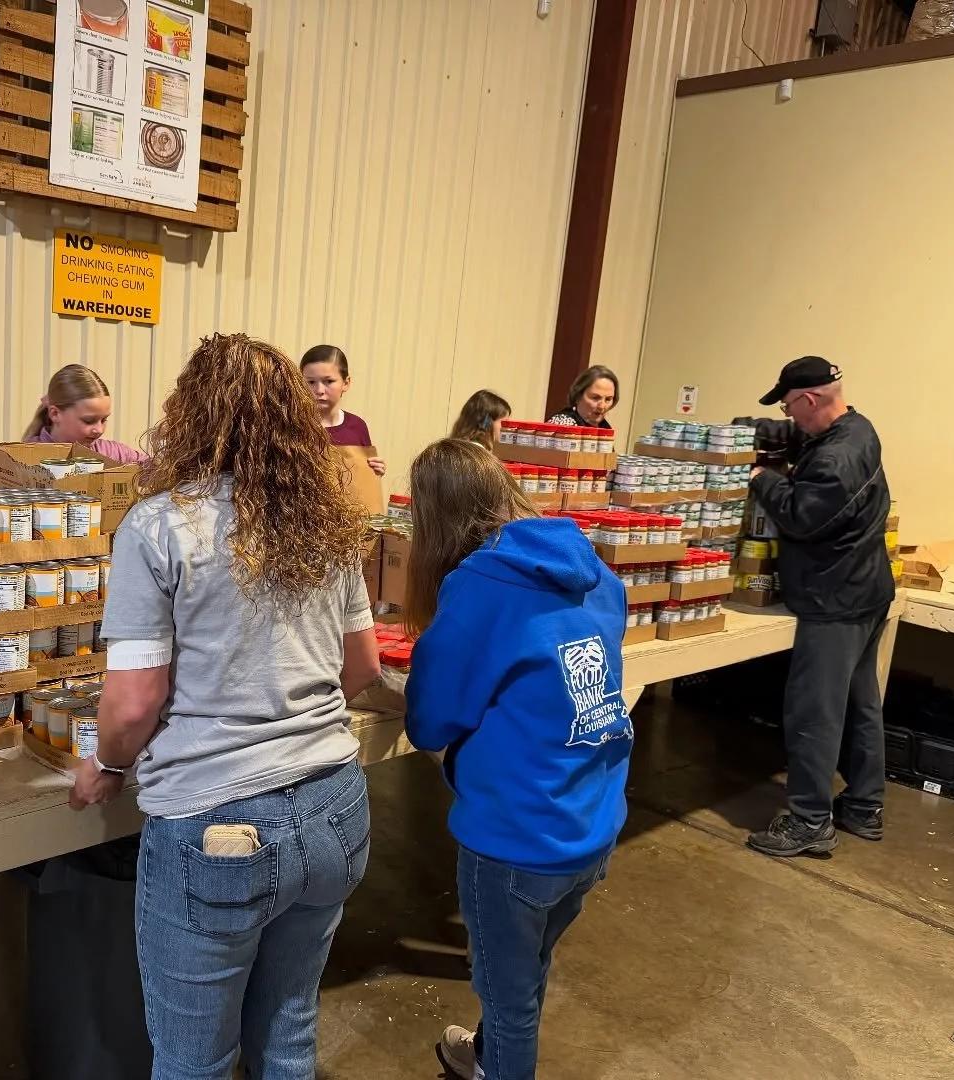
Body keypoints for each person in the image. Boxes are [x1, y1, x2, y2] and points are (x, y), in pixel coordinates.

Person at [68, 333, 382, 1079]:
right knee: (289, 1034)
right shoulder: (327, 523)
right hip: (337, 801)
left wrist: (107, 765)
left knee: (193, 1061)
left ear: (190, 414)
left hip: (218, 824)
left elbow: (136, 699)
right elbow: (362, 667)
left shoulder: (159, 526)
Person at [402, 439, 633, 1080]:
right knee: (525, 972)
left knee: (509, 1005)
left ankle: (497, 1061)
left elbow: (430, 721)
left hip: (516, 836)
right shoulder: (592, 570)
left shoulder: (479, 587)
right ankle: (483, 1053)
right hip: (591, 820)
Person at [742, 356, 895, 858]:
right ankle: (864, 805)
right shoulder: (855, 427)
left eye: (790, 407)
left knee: (814, 712)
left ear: (809, 399)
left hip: (835, 600)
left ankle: (810, 821)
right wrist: (745, 432)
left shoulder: (835, 461)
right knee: (858, 704)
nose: (789, 417)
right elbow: (802, 438)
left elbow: (801, 517)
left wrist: (762, 476)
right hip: (865, 590)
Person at [23, 363, 148, 464]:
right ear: (55, 414)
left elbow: (154, 471)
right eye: (88, 421)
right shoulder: (26, 456)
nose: (99, 429)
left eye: (104, 420)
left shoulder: (108, 453)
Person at [300, 344, 386, 476]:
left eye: (328, 381)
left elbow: (363, 478)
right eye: (311, 382)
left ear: (346, 383)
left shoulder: (357, 427)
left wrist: (375, 470)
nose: (319, 391)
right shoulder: (292, 425)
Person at [547, 365, 620, 429]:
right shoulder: (562, 424)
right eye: (595, 398)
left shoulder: (604, 427)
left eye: (608, 399)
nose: (602, 406)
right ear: (578, 395)